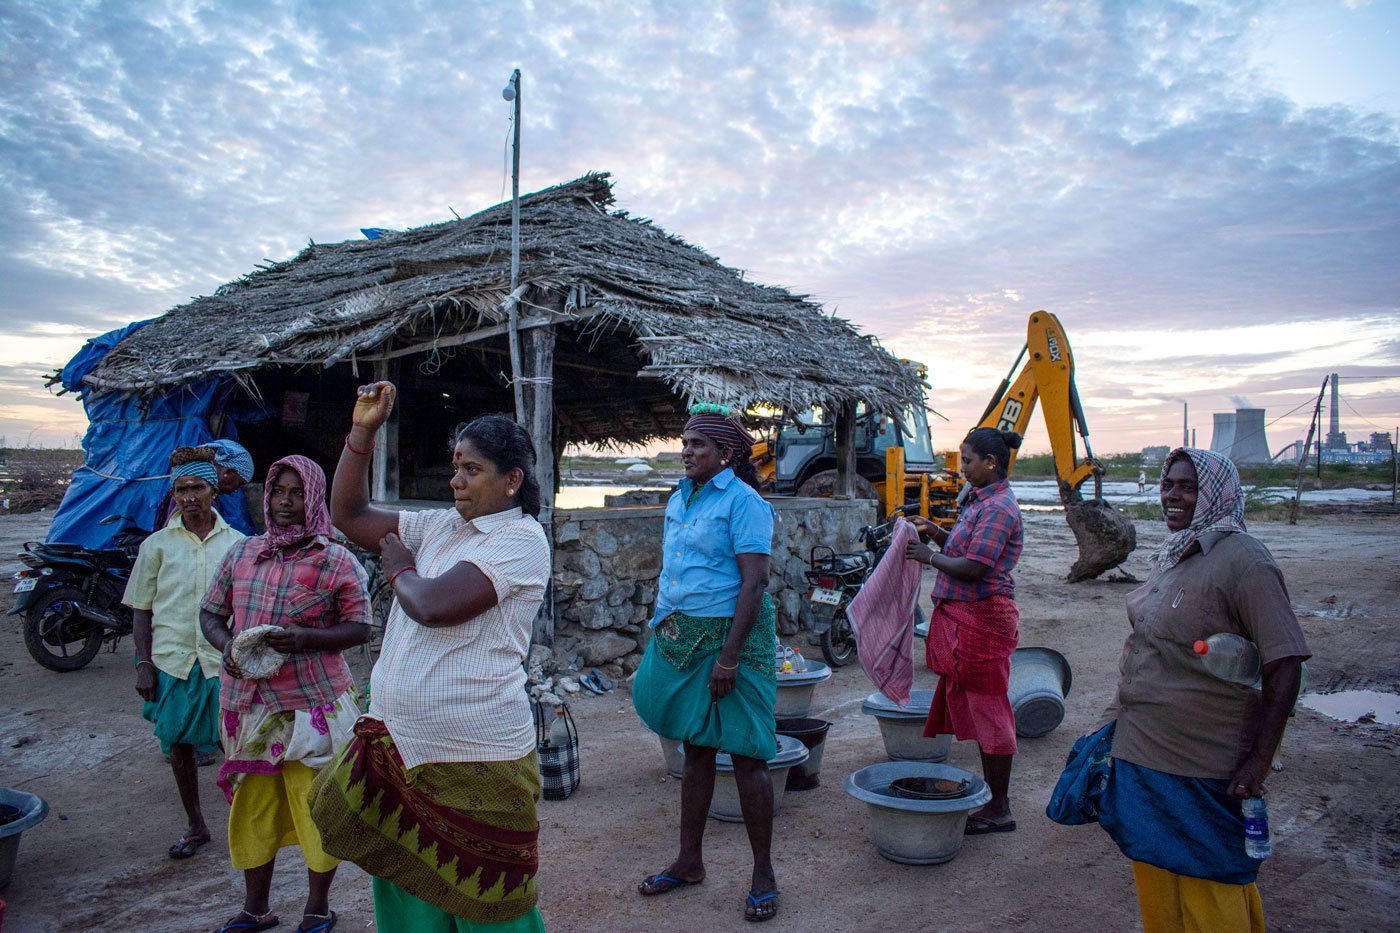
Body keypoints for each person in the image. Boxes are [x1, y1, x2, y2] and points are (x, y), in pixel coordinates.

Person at [312, 382, 551, 932]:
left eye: (472, 471)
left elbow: (435, 606)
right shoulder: (442, 525)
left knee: (492, 900)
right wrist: (363, 432)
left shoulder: (520, 539)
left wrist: (398, 566)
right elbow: (347, 512)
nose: (456, 480)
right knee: (408, 889)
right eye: (455, 467)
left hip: (477, 752)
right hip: (402, 741)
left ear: (511, 480)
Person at [1092, 448, 1309, 932]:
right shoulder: (1178, 554)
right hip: (1144, 754)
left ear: (1217, 493)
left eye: (1188, 486)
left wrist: (1258, 758)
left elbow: (1285, 661)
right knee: (1156, 877)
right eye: (1168, 484)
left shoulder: (1244, 560)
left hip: (1205, 765)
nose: (1173, 495)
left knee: (1211, 889)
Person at [200, 455, 370, 933]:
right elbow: (210, 614)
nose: (286, 502)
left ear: (314, 497)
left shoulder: (336, 558)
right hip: (246, 705)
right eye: (278, 492)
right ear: (267, 496)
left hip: (310, 707)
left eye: (297, 493)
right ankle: (256, 908)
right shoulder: (242, 554)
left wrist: (306, 640)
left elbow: (360, 626)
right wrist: (228, 647)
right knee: (253, 808)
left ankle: (316, 908)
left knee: (315, 807)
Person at [632, 403, 781, 923]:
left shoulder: (745, 503)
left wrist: (731, 657)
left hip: (733, 641)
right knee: (696, 749)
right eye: (685, 441)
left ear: (727, 454)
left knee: (746, 755)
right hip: (686, 636)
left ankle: (763, 874)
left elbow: (754, 582)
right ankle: (689, 862)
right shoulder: (681, 497)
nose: (687, 451)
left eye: (698, 444)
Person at [123, 446, 245, 859]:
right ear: (173, 495)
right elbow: (141, 610)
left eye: (198, 487)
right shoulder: (156, 546)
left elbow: (245, 607)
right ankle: (195, 825)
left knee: (236, 745)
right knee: (178, 745)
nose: (189, 496)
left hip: (221, 660)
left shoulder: (239, 544)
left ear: (214, 491)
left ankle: (244, 822)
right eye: (181, 489)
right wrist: (143, 664)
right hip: (173, 660)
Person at [903, 427, 1024, 834]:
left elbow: (975, 567)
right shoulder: (980, 500)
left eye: (968, 460)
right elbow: (963, 546)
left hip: (983, 618)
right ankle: (994, 800)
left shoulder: (998, 508)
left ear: (990, 462)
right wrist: (935, 532)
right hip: (971, 617)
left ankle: (1000, 808)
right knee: (983, 708)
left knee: (991, 712)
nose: (963, 467)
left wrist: (929, 556)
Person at [151, 439, 256, 530]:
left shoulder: (208, 500)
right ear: (228, 473)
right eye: (239, 483)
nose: (235, 490)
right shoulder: (197, 501)